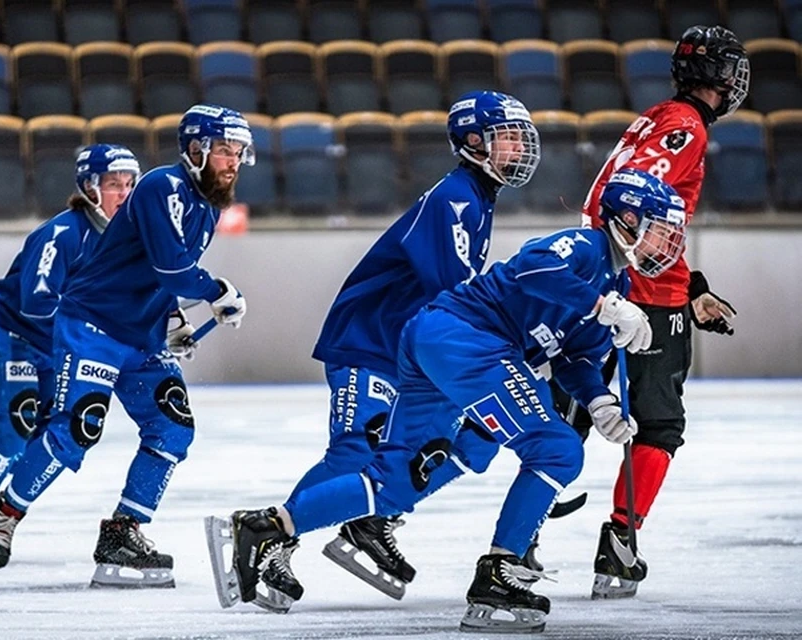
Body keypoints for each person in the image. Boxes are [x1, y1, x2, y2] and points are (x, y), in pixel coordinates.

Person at [206, 169, 686, 632]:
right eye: (662, 231)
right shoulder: (586, 247)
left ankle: (268, 526)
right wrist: (604, 307)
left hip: (437, 342)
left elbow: (574, 358)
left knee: (395, 483)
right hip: (467, 337)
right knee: (556, 448)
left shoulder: (616, 286)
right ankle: (500, 573)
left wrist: (600, 402)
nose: (669, 246)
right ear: (625, 219)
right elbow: (534, 268)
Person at [0, 104, 253, 589]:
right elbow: (171, 268)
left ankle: (124, 531)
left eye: (239, 152)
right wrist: (217, 290)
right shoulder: (162, 186)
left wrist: (171, 321)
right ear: (195, 149)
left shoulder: (206, 205)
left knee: (173, 429)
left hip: (140, 337)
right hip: (93, 326)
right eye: (225, 150)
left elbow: (153, 274)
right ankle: (1, 515)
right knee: (79, 427)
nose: (233, 161)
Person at [291, 91, 542, 599]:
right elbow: (454, 295)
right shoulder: (455, 199)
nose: (519, 147)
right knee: (355, 449)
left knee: (448, 443)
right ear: (474, 142)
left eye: (519, 137)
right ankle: (270, 538)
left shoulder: (476, 197)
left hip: (412, 355)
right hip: (370, 342)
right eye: (508, 137)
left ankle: (374, 519)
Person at [573, 25, 746, 599]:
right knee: (660, 425)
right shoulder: (687, 127)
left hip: (609, 280)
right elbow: (631, 198)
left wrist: (692, 283)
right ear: (722, 78)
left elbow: (627, 205)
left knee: (569, 414)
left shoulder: (654, 116)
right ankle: (619, 547)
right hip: (646, 294)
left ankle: (517, 547)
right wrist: (662, 285)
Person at [0, 144, 139, 533]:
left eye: (129, 184)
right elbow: (36, 304)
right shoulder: (60, 235)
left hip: (56, 344)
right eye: (114, 185)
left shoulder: (126, 241)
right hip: (10, 334)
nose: (124, 194)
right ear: (91, 187)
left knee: (43, 433)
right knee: (14, 425)